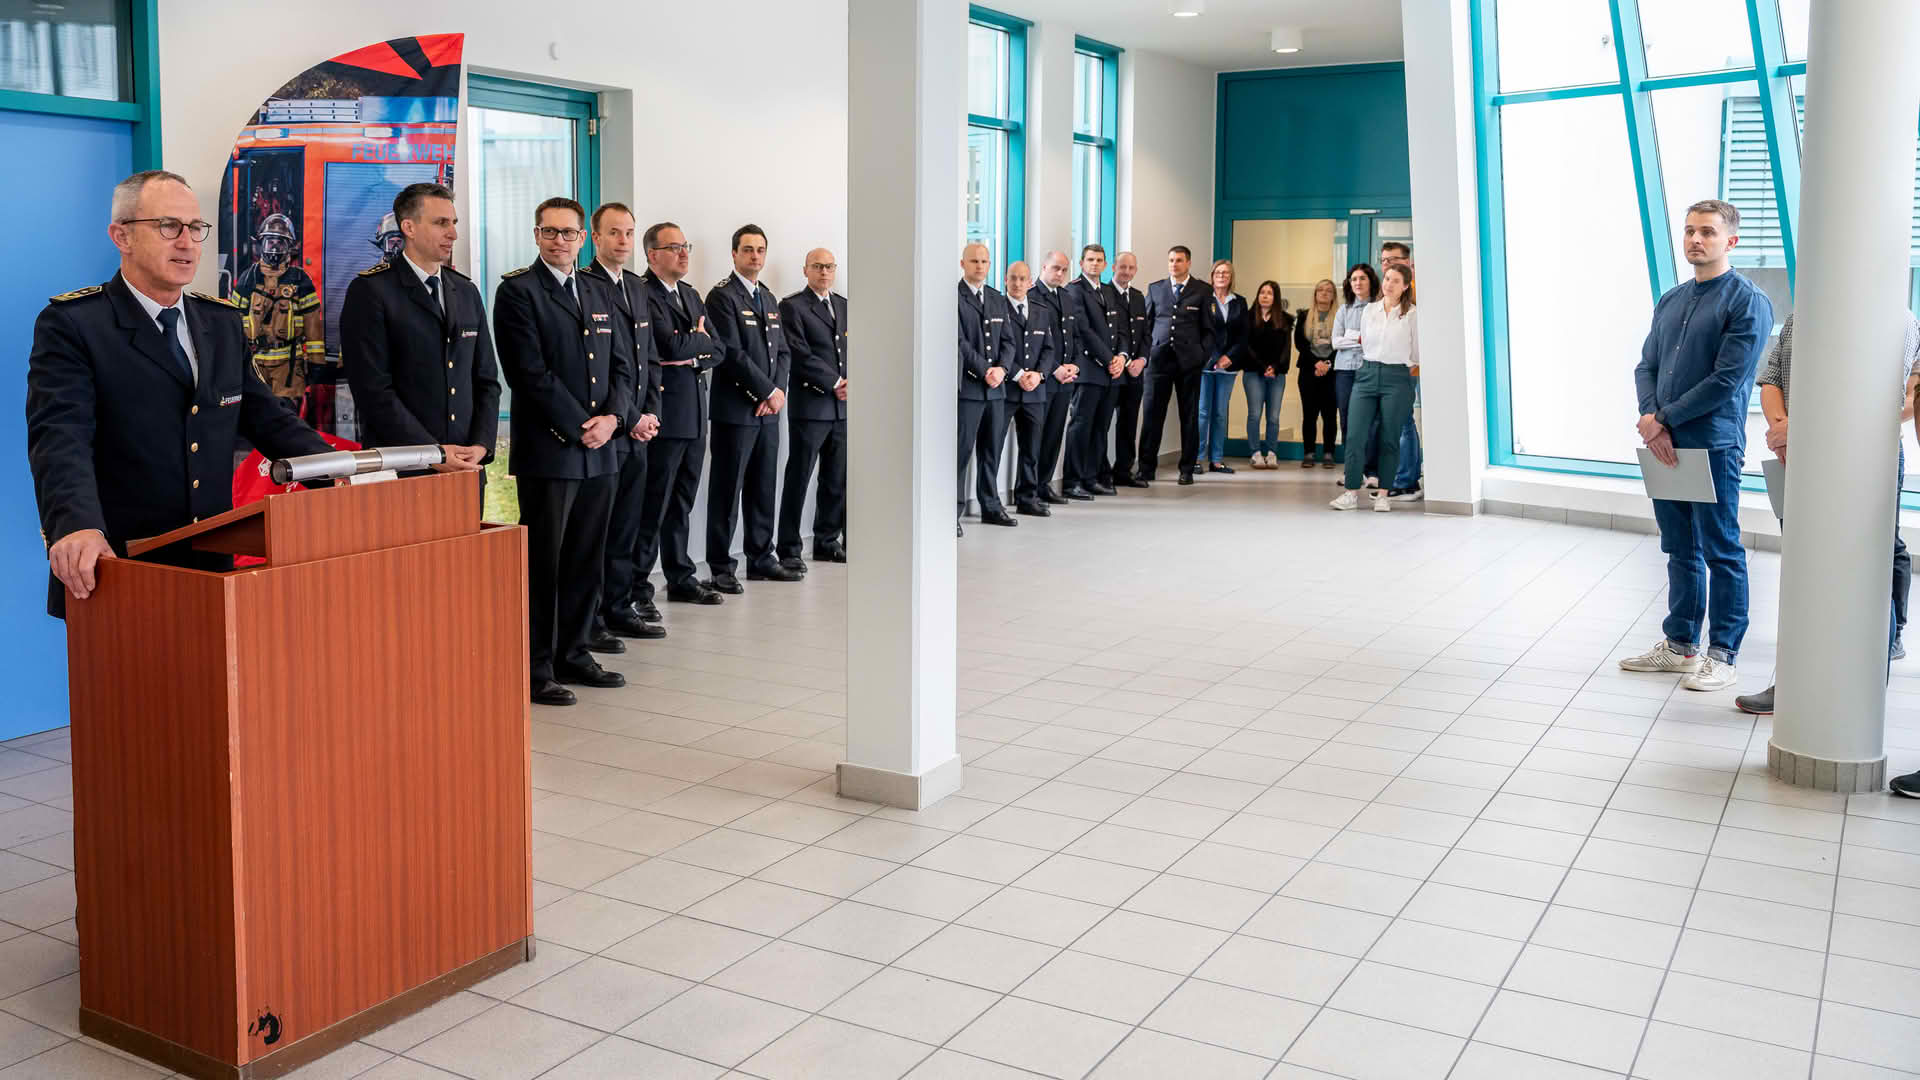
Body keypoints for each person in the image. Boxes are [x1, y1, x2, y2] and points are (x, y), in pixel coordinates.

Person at [27, 169, 333, 618]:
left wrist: (344, 475)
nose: (187, 242)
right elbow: (61, 437)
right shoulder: (75, 324)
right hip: (119, 567)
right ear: (122, 236)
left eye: (195, 228)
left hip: (210, 567)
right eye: (169, 227)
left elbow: (268, 419)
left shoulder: (222, 322)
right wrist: (76, 526)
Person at [1733, 309, 1920, 717]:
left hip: (1867, 457)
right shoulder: (1802, 314)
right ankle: (1794, 684)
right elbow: (1771, 380)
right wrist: (1784, 431)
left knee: (1864, 571)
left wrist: (1802, 429)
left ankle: (1861, 692)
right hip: (1798, 457)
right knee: (1804, 573)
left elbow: (1897, 398)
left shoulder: (1896, 317)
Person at [1619, 199, 1772, 693]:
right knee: (1677, 546)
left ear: (1731, 240)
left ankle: (1723, 653)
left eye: (1706, 231)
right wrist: (1650, 418)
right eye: (1689, 231)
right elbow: (1646, 364)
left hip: (1712, 445)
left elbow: (1728, 380)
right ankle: (1681, 644)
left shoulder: (1747, 300)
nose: (1695, 240)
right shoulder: (1672, 299)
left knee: (1721, 549)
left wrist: (1662, 418)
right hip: (1664, 443)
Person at [493, 196, 634, 706]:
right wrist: (582, 426)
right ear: (536, 236)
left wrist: (614, 419)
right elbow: (529, 375)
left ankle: (576, 652)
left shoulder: (598, 289)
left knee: (585, 558)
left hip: (601, 450)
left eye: (568, 232)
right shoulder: (517, 292)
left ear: (582, 238)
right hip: (552, 450)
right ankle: (537, 665)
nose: (559, 240)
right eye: (549, 232)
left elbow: (623, 365)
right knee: (545, 563)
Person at [339, 182, 496, 477]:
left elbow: (486, 380)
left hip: (465, 465)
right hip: (402, 469)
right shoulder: (371, 291)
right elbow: (373, 392)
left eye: (454, 223)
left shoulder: (465, 291)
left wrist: (481, 445)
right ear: (408, 227)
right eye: (441, 223)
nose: (453, 233)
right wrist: (431, 452)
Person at [578, 202, 665, 642]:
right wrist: (629, 417)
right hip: (610, 426)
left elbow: (647, 359)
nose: (623, 241)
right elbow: (611, 367)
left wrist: (650, 414)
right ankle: (591, 618)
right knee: (601, 528)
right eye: (614, 233)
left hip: (638, 428)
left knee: (629, 525)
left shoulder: (636, 286)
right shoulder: (586, 285)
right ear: (595, 238)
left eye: (629, 233)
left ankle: (618, 605)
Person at [634, 222, 724, 608]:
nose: (684, 253)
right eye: (674, 247)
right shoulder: (642, 292)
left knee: (682, 501)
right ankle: (638, 587)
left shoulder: (690, 294)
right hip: (664, 411)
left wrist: (693, 346)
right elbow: (664, 343)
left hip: (694, 410)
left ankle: (680, 575)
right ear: (652, 255)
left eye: (685, 246)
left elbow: (718, 348)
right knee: (653, 503)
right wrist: (694, 343)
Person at [704, 225, 798, 590]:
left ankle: (761, 557)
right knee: (727, 491)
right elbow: (731, 353)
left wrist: (777, 392)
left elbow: (784, 352)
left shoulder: (769, 299)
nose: (755, 256)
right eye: (747, 250)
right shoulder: (721, 297)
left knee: (763, 486)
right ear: (734, 255)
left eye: (760, 250)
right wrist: (763, 391)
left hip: (768, 412)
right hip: (736, 411)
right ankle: (721, 567)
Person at [776, 248, 848, 570]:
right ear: (805, 269)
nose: (824, 272)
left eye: (829, 266)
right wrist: (835, 381)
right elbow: (798, 354)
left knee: (835, 479)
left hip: (842, 408)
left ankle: (827, 540)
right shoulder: (792, 307)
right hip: (811, 406)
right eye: (817, 266)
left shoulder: (845, 305)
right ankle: (789, 547)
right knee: (799, 477)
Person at [1330, 262, 1418, 514]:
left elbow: (1417, 353)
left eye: (1395, 281)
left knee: (1389, 438)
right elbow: (1363, 343)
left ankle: (1383, 495)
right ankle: (1350, 493)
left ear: (1405, 287)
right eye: (1387, 278)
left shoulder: (1412, 314)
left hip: (1397, 377)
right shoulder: (1369, 310)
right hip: (1366, 374)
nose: (1389, 284)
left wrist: (1404, 376)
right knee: (1355, 435)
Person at [1139, 246, 1212, 485]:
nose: (1174, 264)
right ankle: (1146, 469)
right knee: (1151, 415)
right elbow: (1146, 326)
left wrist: (1201, 355)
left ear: (1188, 263)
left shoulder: (1202, 290)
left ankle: (1187, 469)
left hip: (1189, 362)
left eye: (1179, 260)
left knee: (1189, 416)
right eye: (1171, 260)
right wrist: (1146, 354)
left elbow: (1209, 330)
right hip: (1158, 361)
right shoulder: (1156, 288)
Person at [958, 242, 1018, 535]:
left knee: (991, 451)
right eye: (974, 261)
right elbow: (960, 343)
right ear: (962, 264)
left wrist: (1003, 369)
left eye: (984, 261)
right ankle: (952, 511)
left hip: (996, 390)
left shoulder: (996, 298)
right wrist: (984, 370)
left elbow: (1009, 341)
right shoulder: (954, 297)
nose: (979, 266)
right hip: (969, 389)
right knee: (961, 452)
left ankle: (991, 506)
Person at [1063, 244, 1128, 499]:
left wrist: (1122, 357)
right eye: (1090, 259)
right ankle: (1072, 480)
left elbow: (1122, 329)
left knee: (1101, 427)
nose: (1095, 264)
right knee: (1081, 426)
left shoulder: (1109, 292)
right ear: (1081, 263)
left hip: (1111, 373)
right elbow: (1084, 330)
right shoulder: (1075, 290)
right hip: (1090, 370)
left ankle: (1091, 478)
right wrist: (1109, 358)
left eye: (1099, 260)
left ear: (1105, 264)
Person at [1001, 261, 1057, 517]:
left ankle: (1027, 497)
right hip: (1006, 390)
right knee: (993, 446)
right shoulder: (997, 308)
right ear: (1005, 280)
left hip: (1035, 391)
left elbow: (1048, 348)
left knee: (1031, 448)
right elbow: (999, 349)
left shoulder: (1041, 310)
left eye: (1023, 279)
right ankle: (991, 500)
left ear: (1030, 281)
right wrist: (1019, 374)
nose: (1018, 283)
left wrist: (1040, 375)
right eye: (1013, 278)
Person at [1027, 250, 1078, 503]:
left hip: (1065, 380)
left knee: (1054, 435)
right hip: (1044, 379)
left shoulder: (1067, 297)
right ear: (1044, 266)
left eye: (1064, 270)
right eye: (1055, 268)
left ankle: (1044, 484)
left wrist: (1074, 366)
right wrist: (1055, 368)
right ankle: (1030, 487)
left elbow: (1073, 336)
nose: (1059, 274)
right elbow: (1033, 343)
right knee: (1035, 437)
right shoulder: (1032, 296)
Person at [1196, 259, 1249, 473]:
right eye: (1218, 272)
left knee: (1220, 413)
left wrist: (1229, 357)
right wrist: (1214, 356)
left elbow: (1244, 335)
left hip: (1229, 365)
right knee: (1202, 412)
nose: (1222, 276)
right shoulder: (1202, 299)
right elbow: (1200, 331)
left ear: (1231, 277)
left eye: (1226, 273)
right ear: (1212, 275)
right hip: (1205, 363)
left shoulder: (1239, 302)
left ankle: (1217, 459)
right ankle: (1197, 458)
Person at [1104, 252, 1151, 488]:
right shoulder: (1103, 293)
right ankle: (1101, 473)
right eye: (1122, 267)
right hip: (1111, 370)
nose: (1126, 271)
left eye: (1131, 268)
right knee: (1101, 424)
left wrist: (1142, 360)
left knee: (1129, 422)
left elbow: (1146, 334)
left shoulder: (1139, 297)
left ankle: (1123, 470)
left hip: (1135, 372)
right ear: (1113, 267)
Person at [1381, 242, 1423, 500]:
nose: (1386, 264)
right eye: (1384, 260)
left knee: (1405, 423)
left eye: (1393, 259)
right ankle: (1406, 477)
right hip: (1391, 368)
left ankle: (1407, 480)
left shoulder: (1417, 290)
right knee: (1401, 423)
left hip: (1411, 368)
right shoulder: (1387, 288)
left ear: (1409, 262)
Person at [1332, 263, 1380, 485]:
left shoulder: (1379, 308)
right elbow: (1335, 342)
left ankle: (1371, 471)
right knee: (1347, 420)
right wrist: (1360, 339)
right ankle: (1353, 470)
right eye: (1354, 279)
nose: (1358, 283)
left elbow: (1378, 341)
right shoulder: (1343, 310)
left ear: (1370, 281)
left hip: (1369, 369)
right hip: (1344, 371)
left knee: (1370, 420)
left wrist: (1352, 339)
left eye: (1362, 278)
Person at [1242, 280, 1291, 469]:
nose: (1265, 296)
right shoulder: (1247, 318)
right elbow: (1246, 346)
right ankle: (1255, 453)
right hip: (1253, 372)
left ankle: (1271, 453)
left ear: (1275, 297)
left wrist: (1275, 368)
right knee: (1254, 414)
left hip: (1277, 374)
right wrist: (1263, 366)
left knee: (1274, 417)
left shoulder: (1285, 319)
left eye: (1269, 293)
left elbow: (1286, 349)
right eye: (1262, 292)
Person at [1295, 278, 1341, 469]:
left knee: (1330, 415)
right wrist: (1317, 363)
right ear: (1315, 294)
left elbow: (1340, 344)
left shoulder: (1340, 316)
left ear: (1333, 296)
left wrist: (1327, 362)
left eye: (1328, 290)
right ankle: (1309, 453)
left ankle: (1329, 453)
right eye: (1320, 290)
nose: (1324, 293)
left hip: (1333, 372)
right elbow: (1300, 343)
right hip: (1308, 371)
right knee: (1310, 414)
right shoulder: (1305, 315)